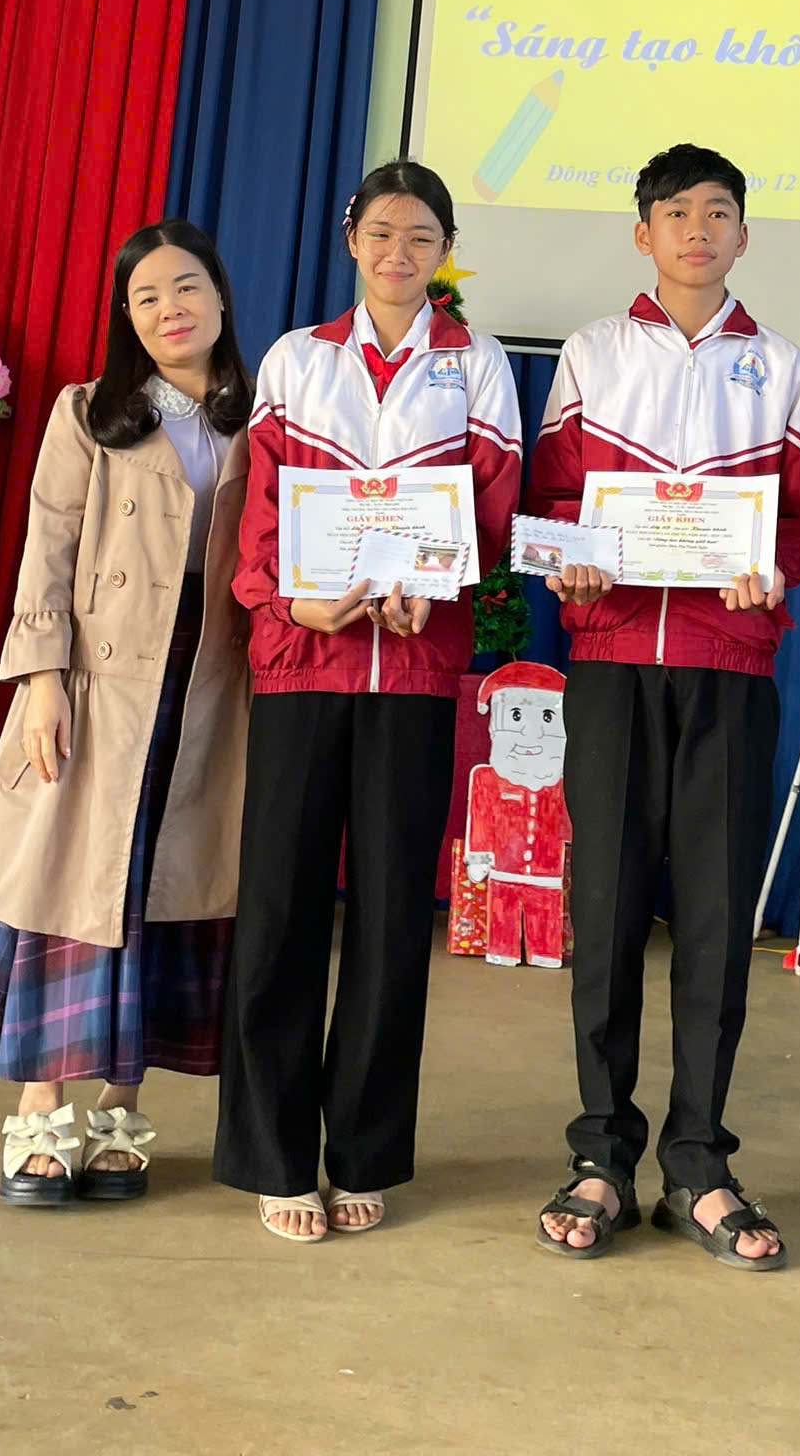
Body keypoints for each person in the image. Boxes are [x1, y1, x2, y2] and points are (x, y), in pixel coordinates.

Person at [528, 141, 800, 1269]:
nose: (697, 231)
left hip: (729, 664)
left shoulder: (783, 367)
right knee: (605, 911)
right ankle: (601, 1155)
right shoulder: (592, 353)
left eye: (717, 213)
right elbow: (551, 495)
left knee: (714, 920)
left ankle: (700, 1162)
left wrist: (775, 572)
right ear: (642, 233)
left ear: (743, 235)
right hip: (613, 659)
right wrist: (568, 563)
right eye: (675, 213)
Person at [214, 158, 521, 1242]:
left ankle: (365, 1150)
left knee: (393, 922)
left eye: (421, 237)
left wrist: (435, 581)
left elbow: (492, 502)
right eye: (383, 233)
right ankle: (272, 1154)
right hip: (306, 659)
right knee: (280, 911)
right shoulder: (298, 359)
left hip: (415, 666)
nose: (400, 253)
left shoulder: (476, 362)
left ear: (445, 252)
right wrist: (289, 598)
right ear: (352, 239)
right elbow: (262, 506)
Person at [0, 219, 252, 1207]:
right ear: (128, 317)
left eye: (187, 287)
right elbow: (47, 544)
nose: (171, 309)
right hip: (95, 679)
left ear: (221, 296)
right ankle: (40, 1110)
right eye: (147, 296)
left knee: (163, 887)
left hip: (210, 681)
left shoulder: (263, 418)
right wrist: (41, 677)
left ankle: (122, 1108)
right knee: (69, 886)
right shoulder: (89, 411)